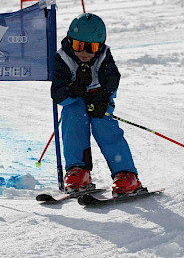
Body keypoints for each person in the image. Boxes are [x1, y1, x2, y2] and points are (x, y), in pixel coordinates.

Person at [51, 13, 142, 197]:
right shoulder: (63, 58)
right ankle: (78, 171)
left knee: (104, 126)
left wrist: (103, 95)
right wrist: (74, 89)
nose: (84, 52)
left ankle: (126, 174)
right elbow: (57, 93)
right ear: (70, 41)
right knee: (73, 120)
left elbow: (112, 79)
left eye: (91, 47)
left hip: (98, 101)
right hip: (75, 102)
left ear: (100, 45)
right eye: (78, 46)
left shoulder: (103, 56)